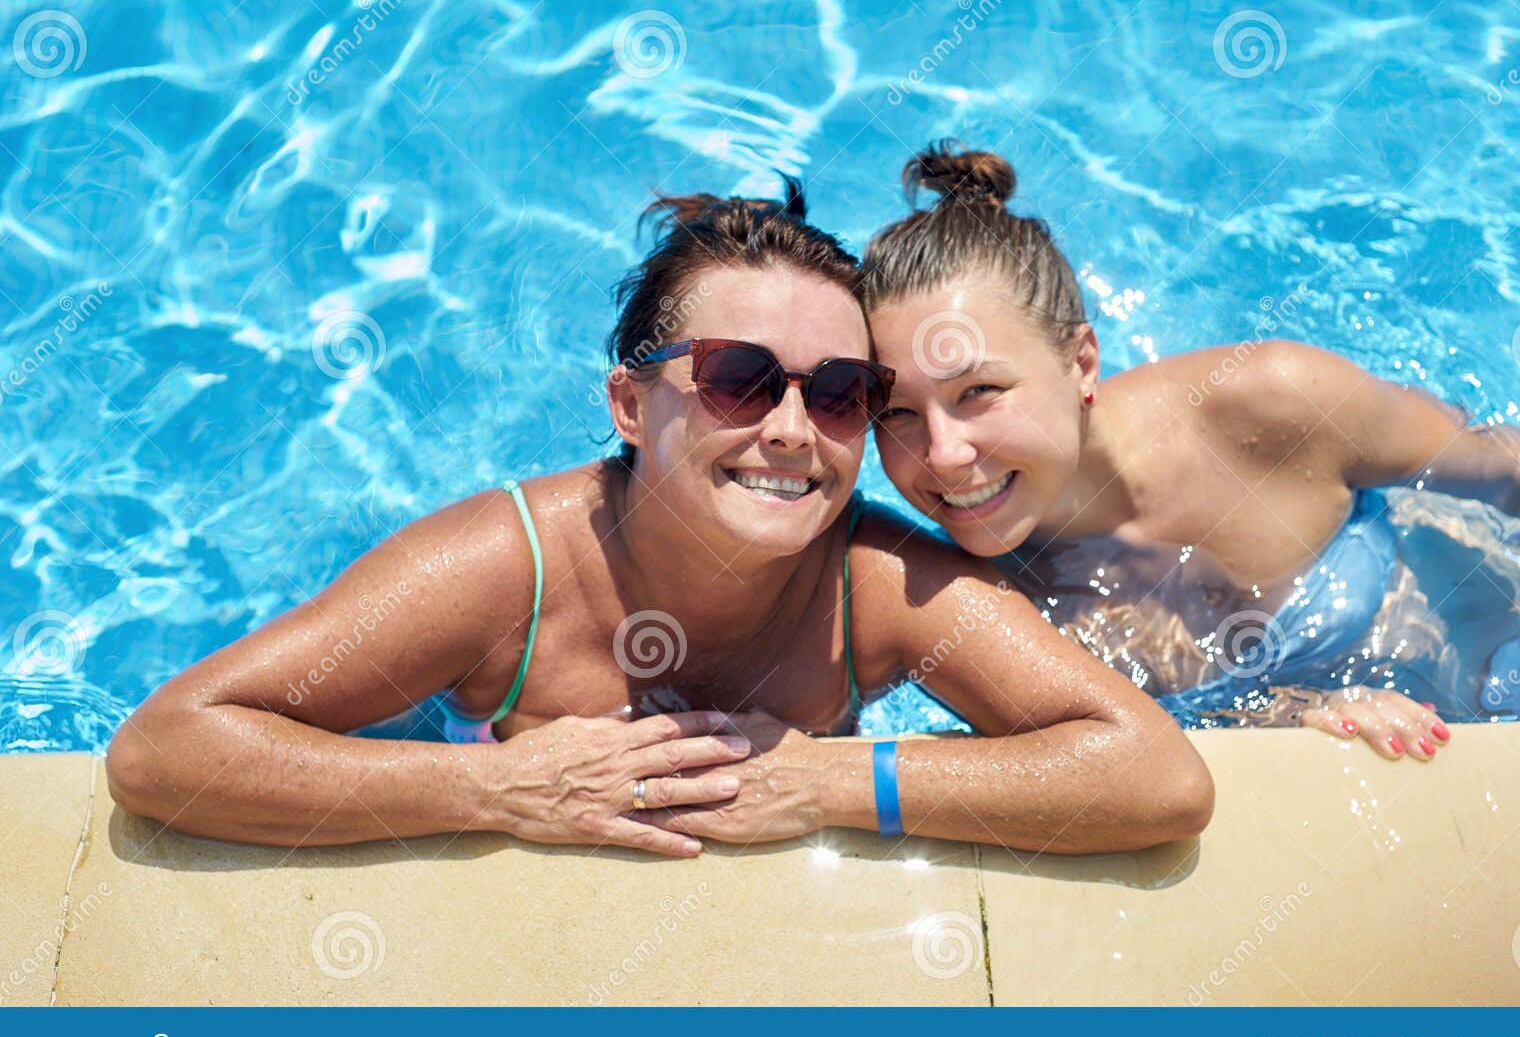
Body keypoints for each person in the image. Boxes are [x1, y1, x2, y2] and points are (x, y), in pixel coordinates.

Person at [106, 181, 1213, 857]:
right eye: (739, 377)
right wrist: (493, 789)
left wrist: (839, 781)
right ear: (632, 404)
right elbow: (165, 750)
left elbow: (1153, 775)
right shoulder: (505, 571)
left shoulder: (872, 582)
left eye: (837, 392)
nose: (792, 427)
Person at [862, 142, 1520, 761]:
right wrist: (1302, 714)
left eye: (980, 391)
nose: (943, 454)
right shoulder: (974, 600)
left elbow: (1518, 470)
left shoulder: (1270, 403)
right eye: (894, 411)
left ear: (1082, 362)